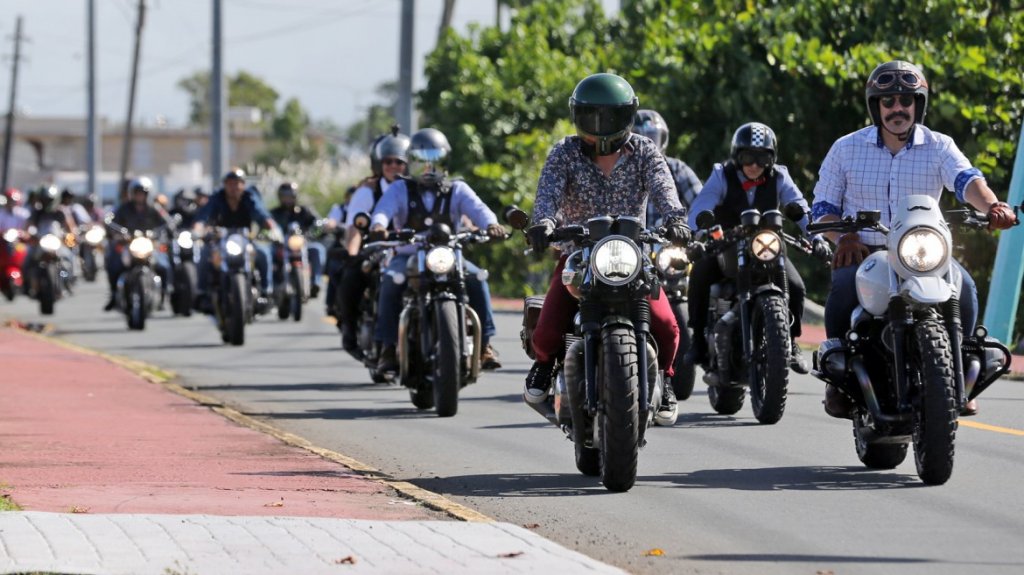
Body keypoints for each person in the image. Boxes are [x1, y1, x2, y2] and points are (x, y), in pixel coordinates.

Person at [811, 60, 1017, 418]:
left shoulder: (940, 146)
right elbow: (823, 208)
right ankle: (837, 384)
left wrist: (994, 206)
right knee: (843, 285)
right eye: (888, 101)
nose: (897, 109)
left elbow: (968, 181)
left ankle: (958, 378)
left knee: (964, 288)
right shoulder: (845, 148)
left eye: (906, 100)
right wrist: (842, 236)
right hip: (865, 252)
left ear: (918, 105)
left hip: (923, 251)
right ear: (876, 106)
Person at [523, 73, 691, 406]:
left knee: (669, 328)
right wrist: (542, 223)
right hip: (579, 256)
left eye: (609, 116)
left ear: (627, 116)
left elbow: (664, 188)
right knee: (545, 334)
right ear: (577, 116)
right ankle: (543, 366)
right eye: (591, 116)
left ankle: (666, 380)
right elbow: (547, 196)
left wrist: (675, 219)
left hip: (634, 257)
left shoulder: (644, 151)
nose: (600, 125)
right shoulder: (564, 153)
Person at [683, 122, 830, 375]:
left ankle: (791, 342)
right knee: (699, 272)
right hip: (727, 244)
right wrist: (697, 232)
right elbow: (700, 207)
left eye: (762, 157)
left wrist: (817, 237)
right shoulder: (722, 174)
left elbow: (800, 207)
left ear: (771, 158)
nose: (754, 164)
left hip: (767, 246)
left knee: (796, 286)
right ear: (736, 157)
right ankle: (697, 340)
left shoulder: (780, 176)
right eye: (747, 157)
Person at [368, 127, 505, 372]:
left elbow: (479, 209)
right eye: (422, 161)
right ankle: (387, 348)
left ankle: (484, 345)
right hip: (409, 254)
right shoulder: (399, 189)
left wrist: (492, 225)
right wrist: (378, 225)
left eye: (435, 160)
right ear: (412, 163)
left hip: (448, 254)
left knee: (477, 278)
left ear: (445, 162)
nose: (429, 168)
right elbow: (382, 210)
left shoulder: (457, 189)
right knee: (390, 280)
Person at [337, 126, 410, 356]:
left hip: (409, 248)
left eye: (399, 162)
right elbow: (355, 228)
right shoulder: (367, 191)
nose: (394, 167)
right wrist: (352, 254)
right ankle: (349, 330)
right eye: (388, 162)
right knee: (351, 275)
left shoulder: (415, 188)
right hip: (375, 248)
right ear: (379, 164)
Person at [192, 168, 281, 309]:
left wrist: (273, 229)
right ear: (225, 185)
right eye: (230, 183)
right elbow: (203, 217)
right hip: (220, 241)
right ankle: (202, 294)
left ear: (243, 185)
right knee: (203, 255)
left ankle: (266, 292)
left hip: (246, 240)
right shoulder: (217, 197)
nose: (234, 187)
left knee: (263, 253)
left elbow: (262, 215)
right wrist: (197, 230)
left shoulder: (249, 197)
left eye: (237, 183)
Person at [103, 177, 173, 311]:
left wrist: (165, 230)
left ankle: (163, 297)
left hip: (149, 245)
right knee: (114, 265)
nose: (140, 196)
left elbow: (167, 222)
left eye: (142, 193)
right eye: (137, 193)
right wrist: (117, 233)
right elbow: (111, 221)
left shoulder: (154, 208)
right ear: (132, 194)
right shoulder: (124, 208)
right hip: (129, 245)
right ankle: (113, 294)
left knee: (163, 266)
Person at [270, 182, 325, 298]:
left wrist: (313, 233)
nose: (287, 200)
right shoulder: (274, 214)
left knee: (317, 249)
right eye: (285, 197)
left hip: (302, 244)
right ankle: (269, 287)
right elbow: (265, 228)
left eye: (290, 197)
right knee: (267, 254)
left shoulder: (304, 211)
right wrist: (271, 236)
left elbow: (318, 223)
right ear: (280, 198)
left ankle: (316, 282)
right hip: (280, 246)